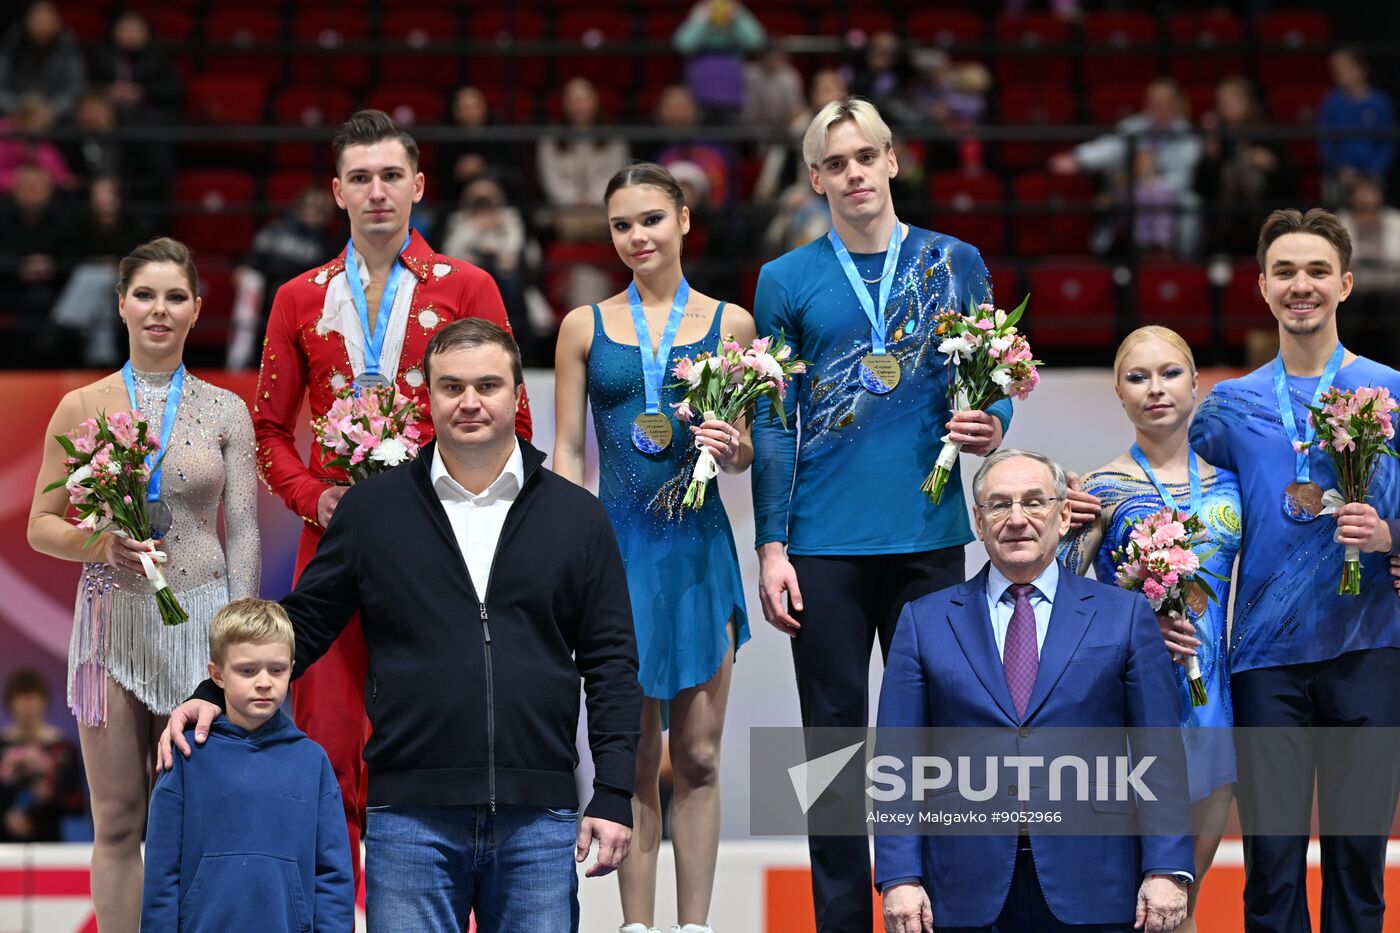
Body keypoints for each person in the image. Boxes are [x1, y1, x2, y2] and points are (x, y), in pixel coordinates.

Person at [162, 319, 640, 932]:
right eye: (452, 387)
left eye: (488, 385)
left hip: (539, 816)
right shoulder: (372, 510)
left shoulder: (576, 516)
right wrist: (212, 693)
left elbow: (610, 661)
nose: (470, 401)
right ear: (428, 399)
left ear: (518, 395)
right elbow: (302, 624)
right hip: (409, 817)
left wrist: (614, 790)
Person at [750, 98, 1018, 932]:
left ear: (894, 161)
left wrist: (994, 424)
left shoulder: (954, 261)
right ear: (816, 178)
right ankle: (840, 919)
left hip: (931, 538)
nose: (855, 173)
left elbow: (994, 380)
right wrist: (769, 543)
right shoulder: (786, 279)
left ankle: (935, 911)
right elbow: (770, 420)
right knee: (832, 753)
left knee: (934, 746)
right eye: (836, 163)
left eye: (867, 156)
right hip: (822, 546)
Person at [253, 108, 531, 887]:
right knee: (331, 740)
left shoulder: (469, 284)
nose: (377, 192)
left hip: (444, 545)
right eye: (360, 178)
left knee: (442, 742)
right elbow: (269, 429)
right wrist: (317, 498)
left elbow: (518, 415)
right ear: (336, 191)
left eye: (390, 176)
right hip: (335, 544)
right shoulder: (299, 297)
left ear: (417, 185)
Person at [26, 236, 260, 933]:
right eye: (146, 295)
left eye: (176, 296)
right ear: (122, 303)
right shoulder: (80, 405)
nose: (160, 309)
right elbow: (41, 522)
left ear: (196, 309)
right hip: (111, 623)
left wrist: (239, 641)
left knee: (191, 815)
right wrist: (97, 541)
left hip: (201, 627)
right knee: (119, 816)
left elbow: (244, 529)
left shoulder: (225, 410)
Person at [876, 449, 1193, 933]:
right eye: (999, 505)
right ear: (979, 523)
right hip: (963, 888)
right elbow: (897, 761)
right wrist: (899, 875)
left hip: (1095, 884)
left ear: (1064, 515)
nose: (1017, 519)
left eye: (1034, 502)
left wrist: (1167, 868)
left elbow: (1159, 753)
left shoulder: (1123, 616)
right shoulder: (925, 621)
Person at [555, 162, 754, 933]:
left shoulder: (731, 324)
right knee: (630, 756)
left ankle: (694, 926)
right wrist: (569, 553)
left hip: (697, 550)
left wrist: (731, 446)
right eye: (621, 224)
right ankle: (636, 927)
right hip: (614, 553)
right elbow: (570, 453)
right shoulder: (584, 325)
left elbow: (743, 453)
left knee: (698, 755)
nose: (637, 236)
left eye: (651, 220)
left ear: (683, 222)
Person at [1189, 208, 1400, 932]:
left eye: (1316, 271)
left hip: (1369, 646)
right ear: (1261, 287)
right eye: (1284, 271)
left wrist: (1390, 534)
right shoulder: (1227, 407)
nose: (1300, 284)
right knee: (1272, 869)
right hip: (1264, 660)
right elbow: (1177, 497)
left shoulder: (1392, 391)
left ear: (1344, 283)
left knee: (1358, 863)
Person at [1059, 326, 1238, 933]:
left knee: (1181, 901)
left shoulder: (1234, 486)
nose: (1155, 389)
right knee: (1131, 903)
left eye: (1168, 373)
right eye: (1138, 377)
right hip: (1125, 710)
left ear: (1195, 383)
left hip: (1212, 705)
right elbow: (1054, 607)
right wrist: (1134, 629)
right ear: (1117, 391)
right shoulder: (1098, 492)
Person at [141, 598, 354, 932]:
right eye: (247, 670)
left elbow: (333, 876)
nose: (264, 682)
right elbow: (161, 871)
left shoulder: (313, 762)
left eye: (277, 669)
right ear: (217, 675)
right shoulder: (186, 755)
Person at [1050, 78, 1201, 256]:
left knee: (1183, 203)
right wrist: (1078, 158)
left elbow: (1182, 177)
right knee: (1132, 195)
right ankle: (1139, 253)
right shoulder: (1135, 126)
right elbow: (1110, 147)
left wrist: (1155, 184)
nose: (1157, 106)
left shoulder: (1186, 135)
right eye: (1153, 101)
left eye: (1164, 101)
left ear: (1176, 104)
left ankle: (1171, 254)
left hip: (1171, 194)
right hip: (1133, 189)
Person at [1195, 76, 1293, 257]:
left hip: (1262, 209)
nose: (1227, 105)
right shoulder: (1215, 137)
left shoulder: (1266, 133)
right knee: (1232, 172)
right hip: (1223, 213)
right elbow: (1200, 185)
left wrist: (1271, 164)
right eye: (1222, 101)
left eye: (1233, 99)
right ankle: (1225, 248)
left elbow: (1290, 181)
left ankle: (1261, 244)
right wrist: (1210, 158)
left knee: (1251, 174)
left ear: (1248, 102)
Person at [538, 77, 631, 242]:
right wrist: (574, 201)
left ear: (595, 102)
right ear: (565, 105)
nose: (579, 106)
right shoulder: (550, 139)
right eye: (573, 101)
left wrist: (594, 200)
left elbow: (615, 175)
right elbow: (551, 179)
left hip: (603, 205)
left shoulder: (614, 137)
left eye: (584, 100)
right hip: (564, 207)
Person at [0, 668, 83, 843]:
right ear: (10, 702)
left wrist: (51, 795)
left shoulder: (63, 747)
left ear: (44, 701)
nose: (27, 705)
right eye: (21, 697)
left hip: (49, 846)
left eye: (34, 697)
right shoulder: (3, 745)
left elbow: (77, 804)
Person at [1319, 47, 1395, 206]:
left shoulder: (1379, 102)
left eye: (1344, 67)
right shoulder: (1330, 102)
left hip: (1374, 176)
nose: (1338, 73)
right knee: (1332, 207)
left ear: (1361, 69)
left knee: (1373, 199)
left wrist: (1374, 170)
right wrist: (1340, 168)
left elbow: (1388, 141)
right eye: (1335, 69)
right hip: (1340, 175)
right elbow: (1325, 142)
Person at [672, 0, 767, 123]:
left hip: (731, 86)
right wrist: (703, 17)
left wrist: (738, 18)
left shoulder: (738, 12)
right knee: (701, 128)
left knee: (731, 128)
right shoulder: (700, 12)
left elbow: (756, 42)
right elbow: (683, 44)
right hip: (701, 84)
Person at [0, 0, 84, 120]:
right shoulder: (11, 46)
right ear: (26, 20)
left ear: (58, 21)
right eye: (36, 15)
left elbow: (74, 90)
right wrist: (18, 107)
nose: (42, 21)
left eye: (47, 15)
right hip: (14, 115)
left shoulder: (69, 49)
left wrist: (50, 110)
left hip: (56, 117)